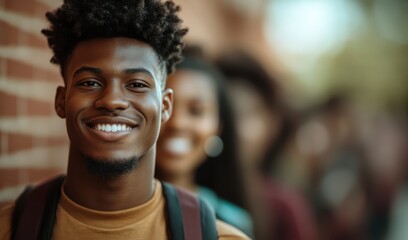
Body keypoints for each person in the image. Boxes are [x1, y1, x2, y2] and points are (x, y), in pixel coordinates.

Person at [0, 1, 249, 239]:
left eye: (137, 84)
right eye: (90, 83)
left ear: (165, 107)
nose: (112, 100)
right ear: (61, 101)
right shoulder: (9, 229)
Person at [216, 50, 318, 240]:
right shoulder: (179, 196)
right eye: (226, 113)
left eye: (247, 114)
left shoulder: (284, 210)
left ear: (272, 126)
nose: (235, 129)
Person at [155, 47, 253, 236]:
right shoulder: (111, 210)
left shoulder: (233, 222)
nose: (177, 123)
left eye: (196, 111)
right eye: (165, 106)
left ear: (218, 128)